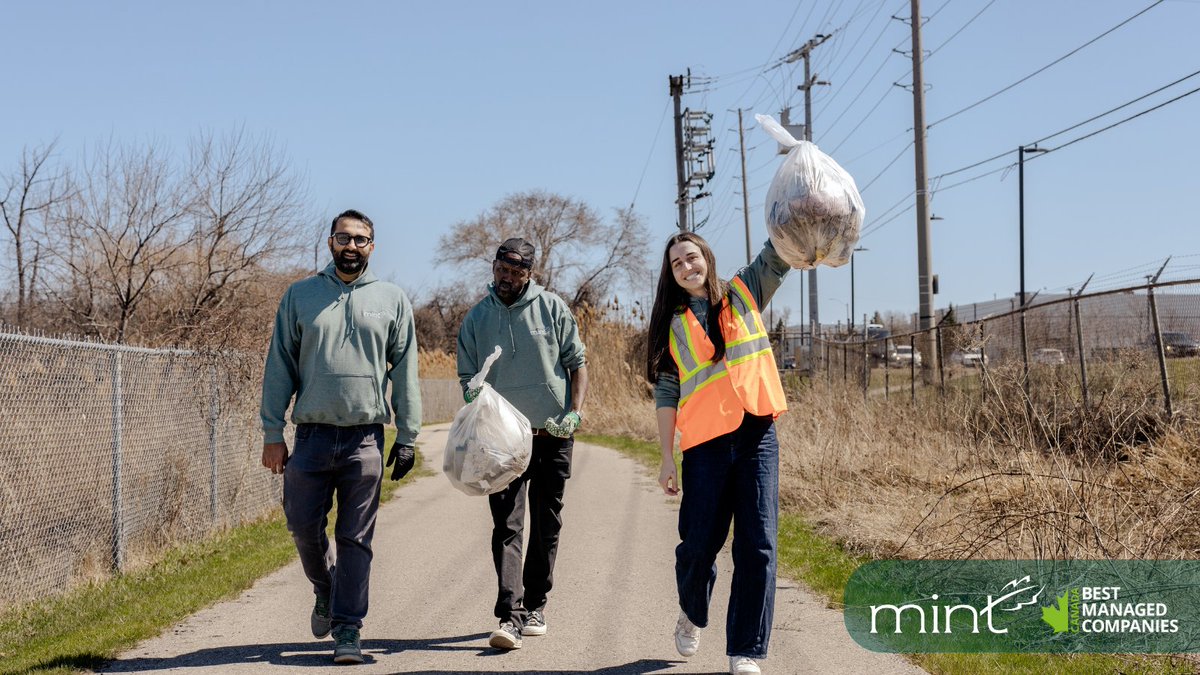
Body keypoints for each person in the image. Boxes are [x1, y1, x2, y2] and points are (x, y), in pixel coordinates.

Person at [260, 209, 421, 665]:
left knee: (356, 537)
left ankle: (348, 629)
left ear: (373, 247)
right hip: (310, 436)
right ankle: (324, 589)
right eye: (344, 238)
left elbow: (406, 369)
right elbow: (280, 366)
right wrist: (273, 431)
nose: (352, 246)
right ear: (330, 242)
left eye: (361, 240)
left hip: (365, 439)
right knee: (302, 525)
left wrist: (407, 434)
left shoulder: (391, 299)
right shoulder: (301, 296)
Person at [645, 232, 790, 675]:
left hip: (755, 435)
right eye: (677, 264)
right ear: (671, 275)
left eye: (692, 257)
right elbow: (668, 392)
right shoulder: (672, 325)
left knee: (758, 545)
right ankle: (692, 611)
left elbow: (778, 253)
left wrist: (798, 198)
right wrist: (667, 457)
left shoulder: (745, 289)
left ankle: (745, 650)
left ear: (707, 257)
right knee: (698, 544)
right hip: (705, 444)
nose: (687, 267)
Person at [457, 237, 588, 651]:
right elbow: (466, 376)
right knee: (507, 526)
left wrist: (575, 411)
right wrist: (472, 394)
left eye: (516, 272)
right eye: (502, 269)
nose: (507, 278)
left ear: (529, 274)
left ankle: (536, 605)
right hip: (500, 444)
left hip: (552, 435)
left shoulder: (551, 307)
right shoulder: (477, 318)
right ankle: (509, 615)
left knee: (546, 524)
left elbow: (577, 363)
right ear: (493, 266)